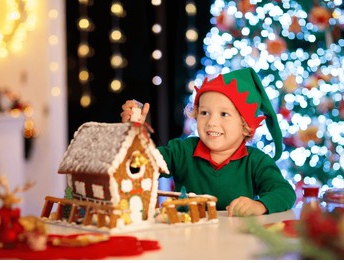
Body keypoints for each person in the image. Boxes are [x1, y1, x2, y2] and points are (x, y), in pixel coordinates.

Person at [121, 67, 296, 217]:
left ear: (246, 126)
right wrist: (134, 133)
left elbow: (285, 192)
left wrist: (260, 205)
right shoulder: (181, 151)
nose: (211, 122)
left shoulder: (256, 161)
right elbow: (142, 166)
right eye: (204, 113)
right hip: (186, 240)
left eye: (224, 114)